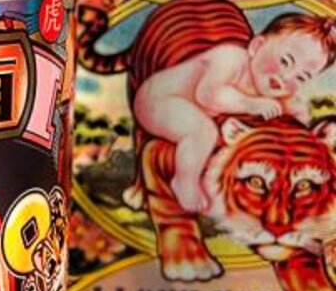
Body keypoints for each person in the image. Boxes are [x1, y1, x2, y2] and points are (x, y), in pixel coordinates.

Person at [133, 13, 336, 213]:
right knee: (203, 132)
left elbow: (295, 113)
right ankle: (184, 182)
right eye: (285, 62)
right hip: (159, 99)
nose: (286, 76)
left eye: (301, 77)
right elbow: (207, 95)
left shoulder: (276, 89)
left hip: (187, 109)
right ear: (257, 46)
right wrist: (250, 104)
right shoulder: (230, 58)